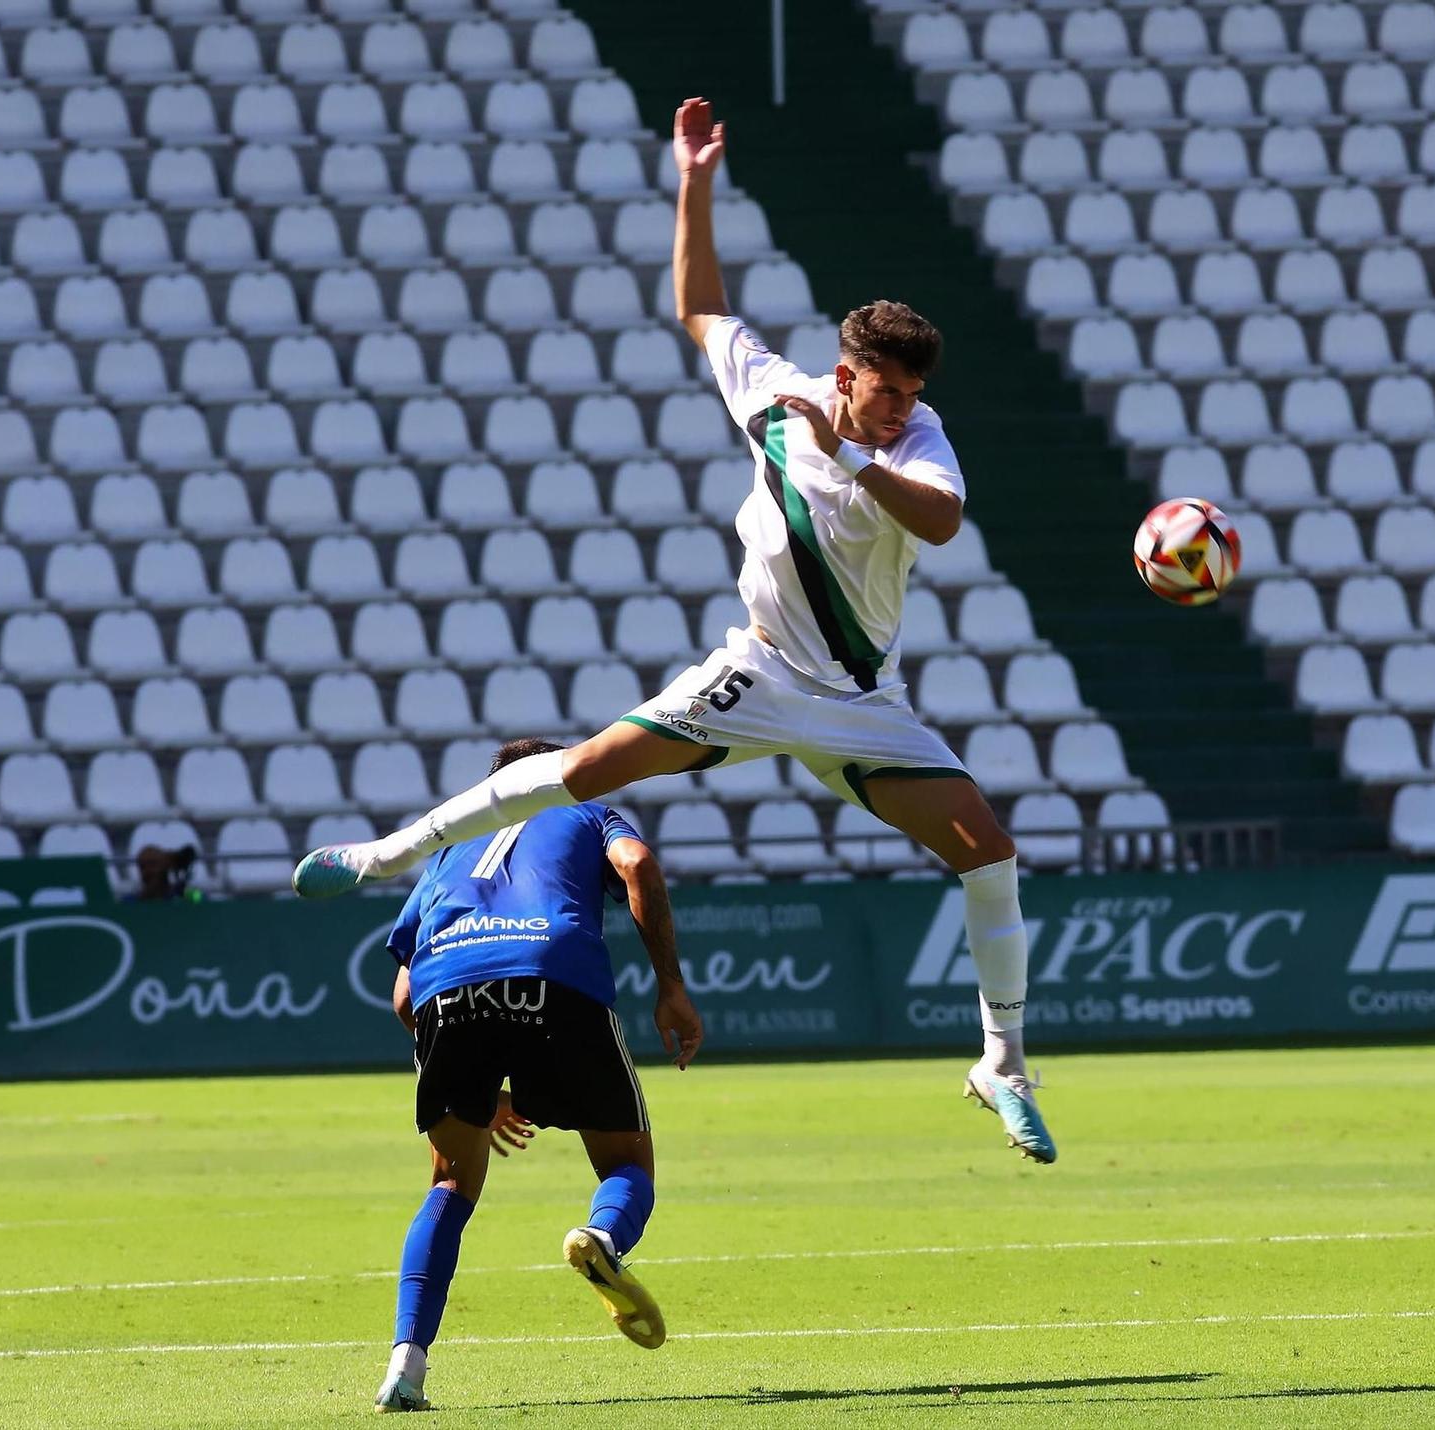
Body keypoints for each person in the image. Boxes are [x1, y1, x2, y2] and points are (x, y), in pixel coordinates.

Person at [296, 95, 1054, 1168]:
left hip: (860, 703)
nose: (898, 408)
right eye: (882, 392)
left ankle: (1001, 1061)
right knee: (589, 765)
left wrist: (861, 457)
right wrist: (693, 179)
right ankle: (390, 850)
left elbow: (939, 515)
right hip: (760, 667)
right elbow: (700, 306)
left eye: (908, 394)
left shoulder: (917, 443)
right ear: (845, 372)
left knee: (990, 850)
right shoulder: (780, 392)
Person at [372, 739, 704, 1413]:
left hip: (448, 988)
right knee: (624, 1165)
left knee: (449, 1185)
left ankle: (405, 1368)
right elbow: (636, 863)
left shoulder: (450, 836)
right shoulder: (585, 810)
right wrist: (670, 984)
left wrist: (477, 1089)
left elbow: (404, 996)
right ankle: (603, 1240)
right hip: (555, 969)